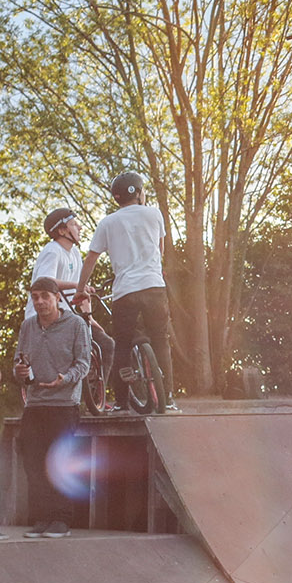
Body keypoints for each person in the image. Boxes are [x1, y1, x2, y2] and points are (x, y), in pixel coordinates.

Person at [79, 172, 175, 413]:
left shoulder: (108, 222)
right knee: (161, 340)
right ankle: (170, 398)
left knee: (122, 344)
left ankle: (122, 402)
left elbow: (91, 259)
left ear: (117, 199)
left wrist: (80, 290)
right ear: (140, 192)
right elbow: (160, 250)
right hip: (154, 286)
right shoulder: (154, 214)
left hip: (125, 290)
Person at [10, 276, 93, 538]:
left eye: (45, 296)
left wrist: (64, 379)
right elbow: (18, 363)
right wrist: (20, 371)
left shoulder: (76, 324)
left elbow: (83, 364)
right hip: (34, 404)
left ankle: (62, 520)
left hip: (64, 404)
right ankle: (43, 519)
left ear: (58, 297)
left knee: (59, 463)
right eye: (35, 297)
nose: (40, 302)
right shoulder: (28, 326)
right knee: (34, 463)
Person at [32, 207, 114, 408]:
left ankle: (95, 397)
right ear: (62, 231)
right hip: (48, 318)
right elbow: (44, 280)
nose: (79, 226)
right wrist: (77, 286)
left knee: (107, 344)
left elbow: (81, 291)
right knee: (71, 353)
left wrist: (90, 317)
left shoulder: (75, 253)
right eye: (73, 223)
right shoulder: (52, 251)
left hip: (70, 317)